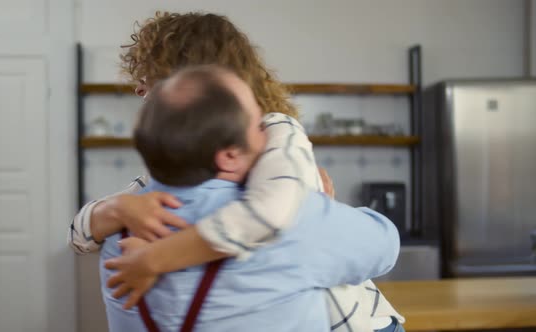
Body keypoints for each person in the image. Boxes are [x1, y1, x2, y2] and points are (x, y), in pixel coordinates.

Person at [68, 12, 404, 331]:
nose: (139, 89)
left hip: (350, 317)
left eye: (150, 77)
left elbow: (276, 215)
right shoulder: (150, 200)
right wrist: (117, 208)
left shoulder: (277, 137)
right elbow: (80, 234)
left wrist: (156, 257)